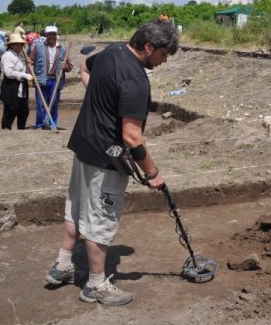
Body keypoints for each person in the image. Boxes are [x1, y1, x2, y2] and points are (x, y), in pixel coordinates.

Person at [44, 19, 178, 305]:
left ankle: (63, 266)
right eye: (164, 55)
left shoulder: (111, 51)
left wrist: (100, 101)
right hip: (107, 157)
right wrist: (153, 173)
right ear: (149, 46)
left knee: (76, 208)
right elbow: (131, 136)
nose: (164, 61)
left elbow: (84, 67)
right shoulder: (136, 80)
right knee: (100, 221)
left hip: (84, 146)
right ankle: (96, 285)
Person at [29, 26, 72, 129]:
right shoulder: (38, 47)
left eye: (53, 34)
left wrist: (65, 67)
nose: (52, 36)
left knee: (53, 104)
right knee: (41, 104)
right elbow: (30, 61)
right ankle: (40, 125)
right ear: (46, 35)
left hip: (55, 80)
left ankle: (52, 124)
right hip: (41, 79)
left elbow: (70, 66)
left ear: (56, 35)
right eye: (49, 34)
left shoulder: (63, 49)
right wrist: (29, 72)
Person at [0, 34, 33, 129]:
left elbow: (21, 68)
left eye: (21, 44)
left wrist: (27, 64)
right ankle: (6, 130)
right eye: (17, 44)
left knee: (24, 112)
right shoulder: (8, 56)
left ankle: (21, 130)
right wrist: (25, 75)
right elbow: (8, 73)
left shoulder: (20, 55)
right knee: (10, 110)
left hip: (21, 87)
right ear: (11, 45)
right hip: (11, 87)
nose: (20, 46)